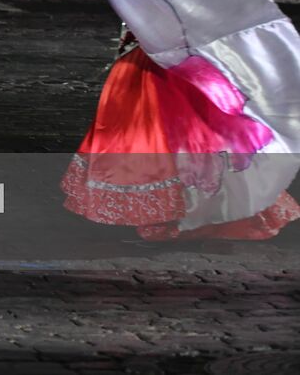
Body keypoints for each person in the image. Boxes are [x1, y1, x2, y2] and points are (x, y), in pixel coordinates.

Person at [61, 26, 299, 240]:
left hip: (176, 47)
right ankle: (188, 212)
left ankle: (185, 214)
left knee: (181, 127)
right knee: (184, 128)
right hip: (169, 44)